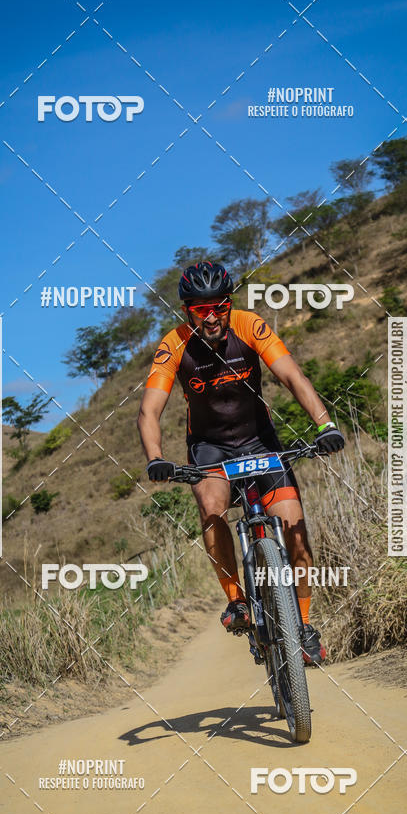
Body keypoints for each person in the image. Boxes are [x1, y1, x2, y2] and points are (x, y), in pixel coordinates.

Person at [137, 261, 344, 664]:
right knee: (212, 508)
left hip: (260, 443)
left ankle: (300, 626)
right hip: (210, 449)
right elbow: (149, 411)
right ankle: (237, 601)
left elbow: (292, 376)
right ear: (187, 311)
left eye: (219, 306)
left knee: (296, 537)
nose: (211, 316)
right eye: (201, 309)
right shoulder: (174, 344)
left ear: (229, 304)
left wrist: (325, 425)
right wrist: (156, 458)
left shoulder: (250, 326)